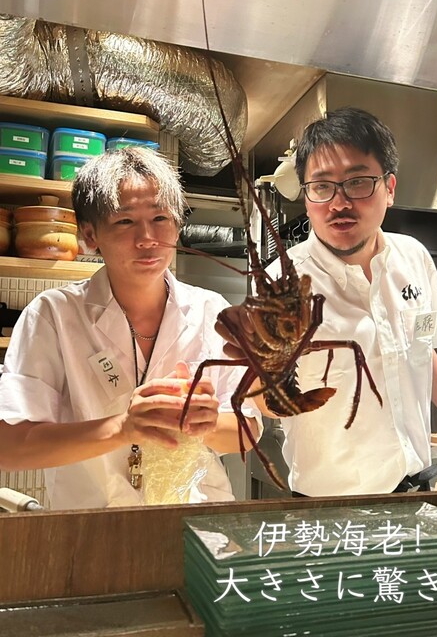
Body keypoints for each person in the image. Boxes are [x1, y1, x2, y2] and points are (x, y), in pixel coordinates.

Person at [216, 106, 437, 497]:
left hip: (416, 486)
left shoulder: (415, 258)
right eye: (322, 186)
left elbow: (421, 350)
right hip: (330, 505)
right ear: (307, 197)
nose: (338, 203)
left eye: (357, 182)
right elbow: (269, 403)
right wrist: (261, 374)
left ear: (390, 188)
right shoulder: (279, 283)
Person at [0, 147, 260, 509]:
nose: (147, 237)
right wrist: (123, 428)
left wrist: (207, 422)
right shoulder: (53, 316)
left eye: (160, 217)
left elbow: (248, 432)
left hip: (196, 518)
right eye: (125, 221)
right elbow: (10, 448)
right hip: (94, 522)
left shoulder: (211, 310)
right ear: (89, 234)